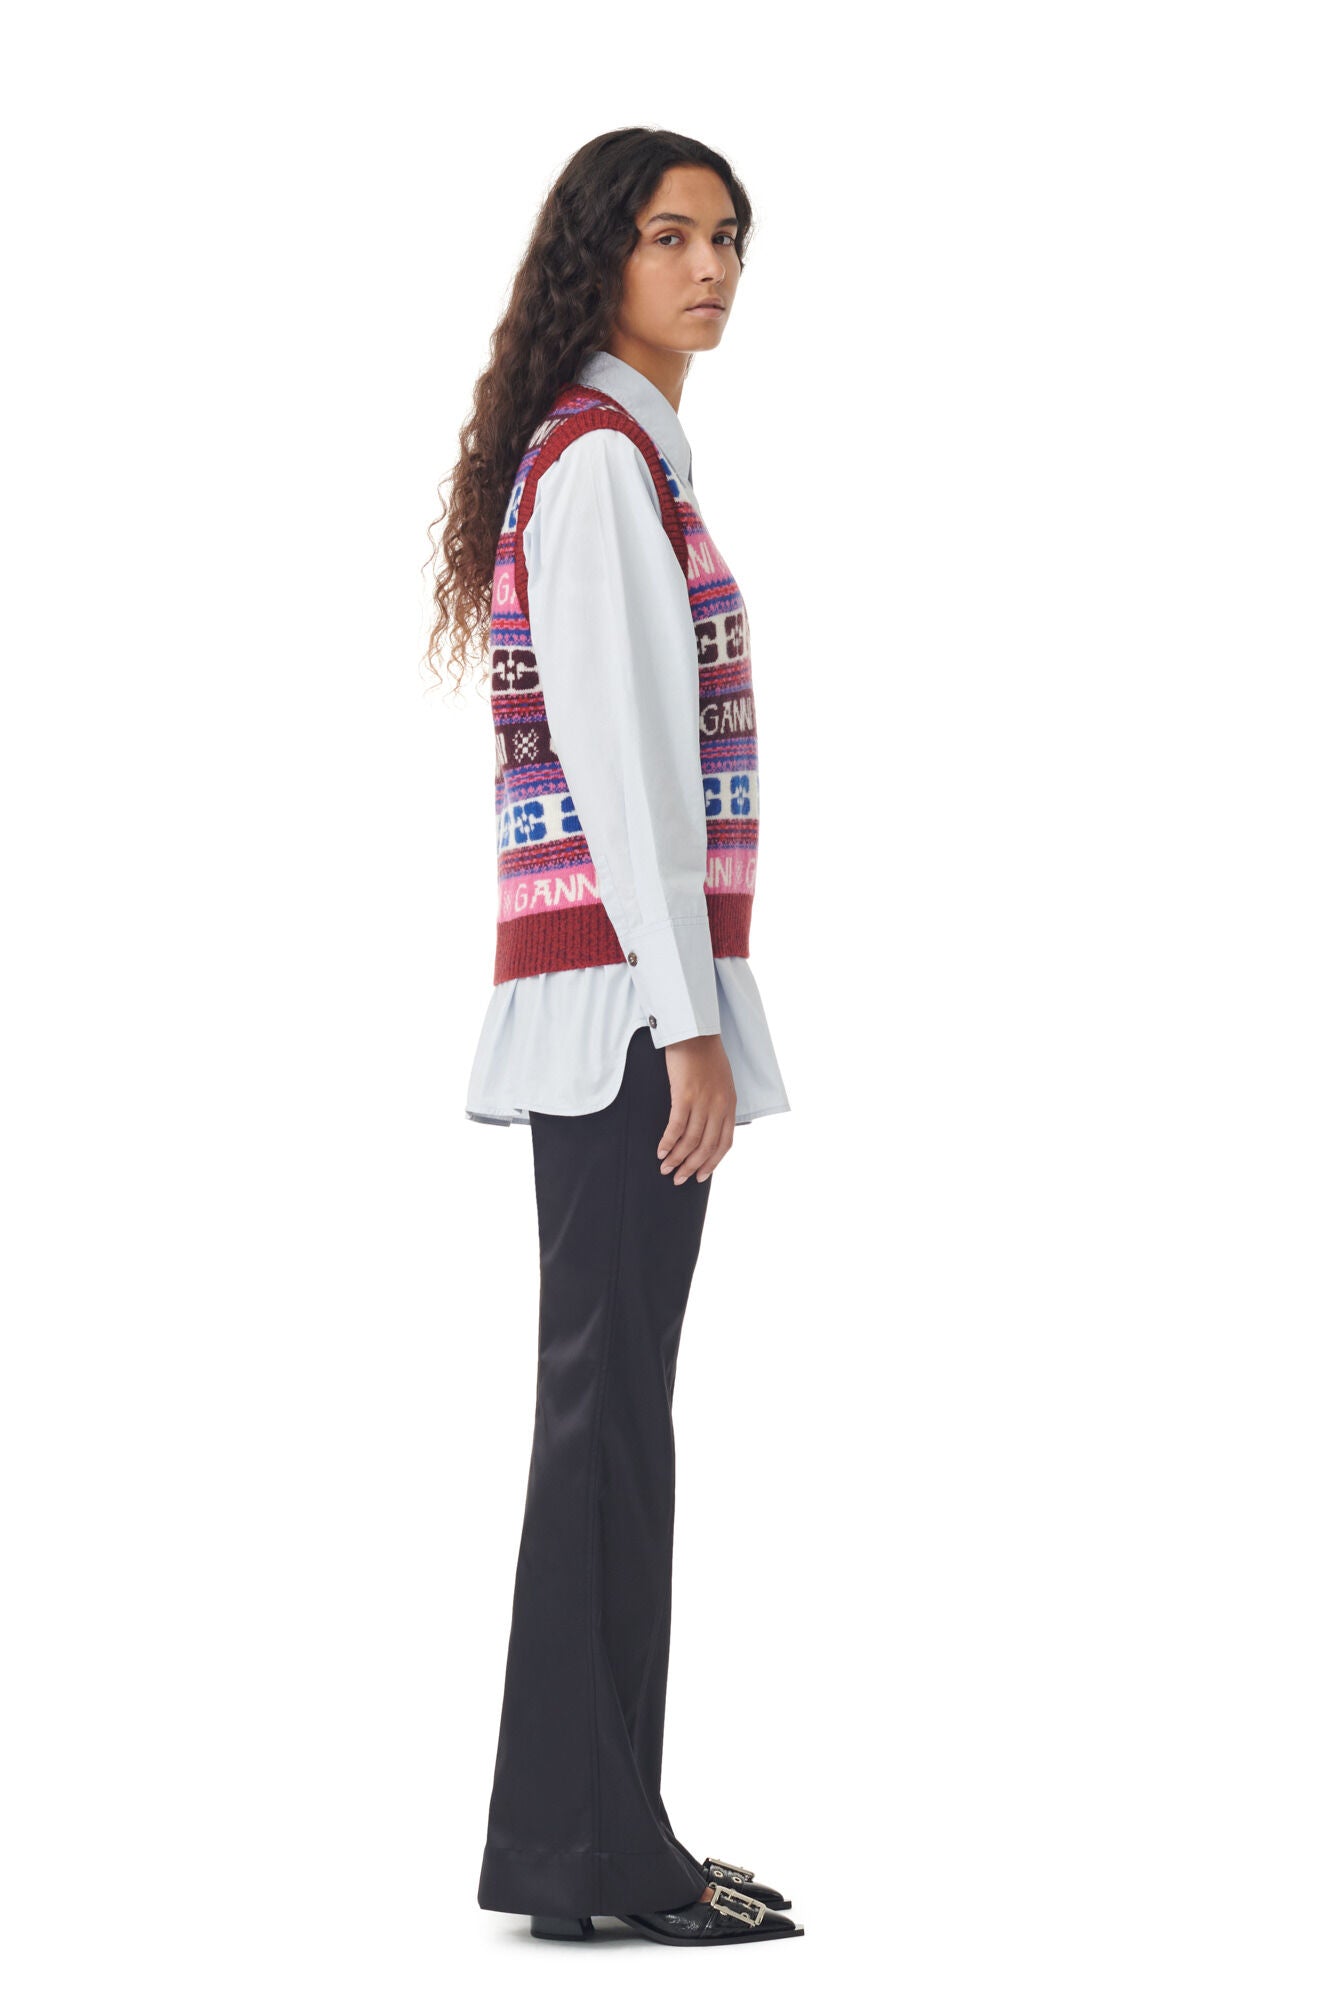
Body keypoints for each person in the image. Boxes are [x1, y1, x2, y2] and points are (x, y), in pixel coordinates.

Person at [424, 127, 802, 1948]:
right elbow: (629, 770)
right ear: (603, 257)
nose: (708, 267)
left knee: (609, 1421)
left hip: (617, 1010)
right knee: (603, 1426)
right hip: (624, 1021)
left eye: (726, 236)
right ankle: (596, 1854)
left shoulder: (616, 457)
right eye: (669, 235)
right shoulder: (597, 468)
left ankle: (585, 1843)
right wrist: (690, 1023)